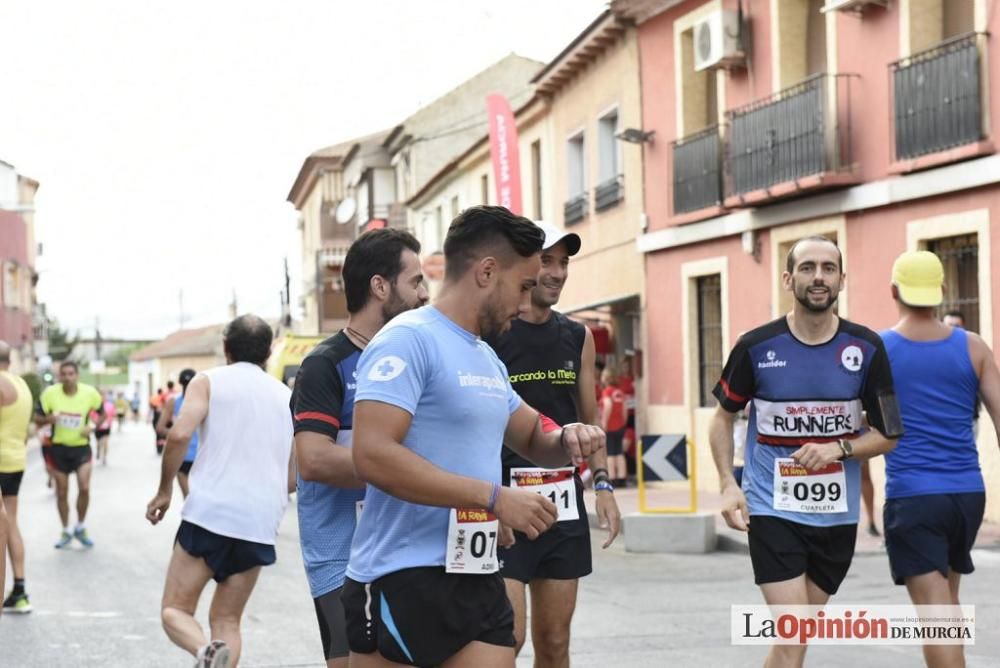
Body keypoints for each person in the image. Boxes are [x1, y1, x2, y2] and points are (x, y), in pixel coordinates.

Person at [343, 205, 605, 668]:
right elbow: (372, 455)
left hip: (477, 570)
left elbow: (529, 431)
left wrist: (567, 436)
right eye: (523, 286)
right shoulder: (408, 338)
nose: (526, 304)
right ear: (487, 272)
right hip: (402, 573)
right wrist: (492, 497)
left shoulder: (485, 356)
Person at [709, 235, 903, 668]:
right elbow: (722, 418)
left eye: (828, 268)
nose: (818, 277)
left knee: (794, 641)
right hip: (772, 508)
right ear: (787, 278)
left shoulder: (867, 348)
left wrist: (839, 447)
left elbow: (890, 434)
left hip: (836, 516)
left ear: (841, 280)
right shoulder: (755, 347)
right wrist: (727, 483)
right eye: (807, 267)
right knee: (794, 633)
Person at [290, 228, 429, 668]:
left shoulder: (417, 359)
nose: (427, 294)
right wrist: (401, 468)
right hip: (341, 558)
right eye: (417, 281)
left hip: (407, 549)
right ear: (380, 286)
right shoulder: (325, 364)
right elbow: (312, 460)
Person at [487, 221, 621, 666]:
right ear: (525, 264)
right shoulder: (493, 333)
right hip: (505, 504)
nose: (558, 272)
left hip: (563, 505)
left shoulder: (578, 336)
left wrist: (603, 485)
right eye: (547, 260)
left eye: (564, 262)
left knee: (555, 641)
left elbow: (589, 420)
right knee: (509, 638)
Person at [145, 314, 294, 668]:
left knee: (175, 610)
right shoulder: (287, 397)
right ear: (269, 351)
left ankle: (204, 652)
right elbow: (294, 475)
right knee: (227, 622)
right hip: (259, 521)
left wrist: (165, 491)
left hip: (211, 514)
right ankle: (216, 654)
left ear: (225, 348)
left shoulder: (208, 381)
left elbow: (179, 434)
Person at [881, 251, 998, 668]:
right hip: (966, 495)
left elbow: (874, 423)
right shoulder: (974, 347)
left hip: (914, 497)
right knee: (948, 604)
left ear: (894, 291)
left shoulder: (880, 350)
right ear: (942, 291)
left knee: (936, 615)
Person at [38, 360, 105, 548]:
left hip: (81, 448)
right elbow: (37, 417)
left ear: (77, 375)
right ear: (59, 376)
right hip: (58, 449)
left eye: (71, 374)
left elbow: (103, 415)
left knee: (84, 488)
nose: (67, 378)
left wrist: (91, 426)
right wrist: (49, 419)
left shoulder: (89, 393)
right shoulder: (50, 394)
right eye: (64, 374)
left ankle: (80, 526)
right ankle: (66, 530)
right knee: (61, 492)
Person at [0, 341, 33, 612]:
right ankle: (20, 589)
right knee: (10, 523)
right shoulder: (21, 384)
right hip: (15, 460)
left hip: (1, 461)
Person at [156, 369, 199, 498]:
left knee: (194, 501)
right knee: (192, 500)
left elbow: (160, 428)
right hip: (188, 456)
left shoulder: (205, 400)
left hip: (194, 456)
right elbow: (160, 428)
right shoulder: (174, 402)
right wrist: (179, 432)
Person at [599, 366, 629, 488]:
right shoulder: (620, 392)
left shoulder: (607, 391)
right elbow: (625, 409)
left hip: (610, 426)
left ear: (605, 378)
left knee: (610, 453)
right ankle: (622, 478)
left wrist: (604, 422)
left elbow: (608, 405)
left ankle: (613, 478)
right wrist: (623, 422)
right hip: (620, 425)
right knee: (619, 452)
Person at [92, 391, 115, 466]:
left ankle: (104, 457)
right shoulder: (95, 405)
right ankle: (98, 450)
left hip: (106, 427)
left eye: (104, 396)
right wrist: (95, 422)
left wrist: (110, 423)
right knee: (98, 443)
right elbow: (91, 415)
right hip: (98, 427)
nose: (102, 397)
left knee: (105, 442)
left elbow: (112, 415)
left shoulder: (110, 405)